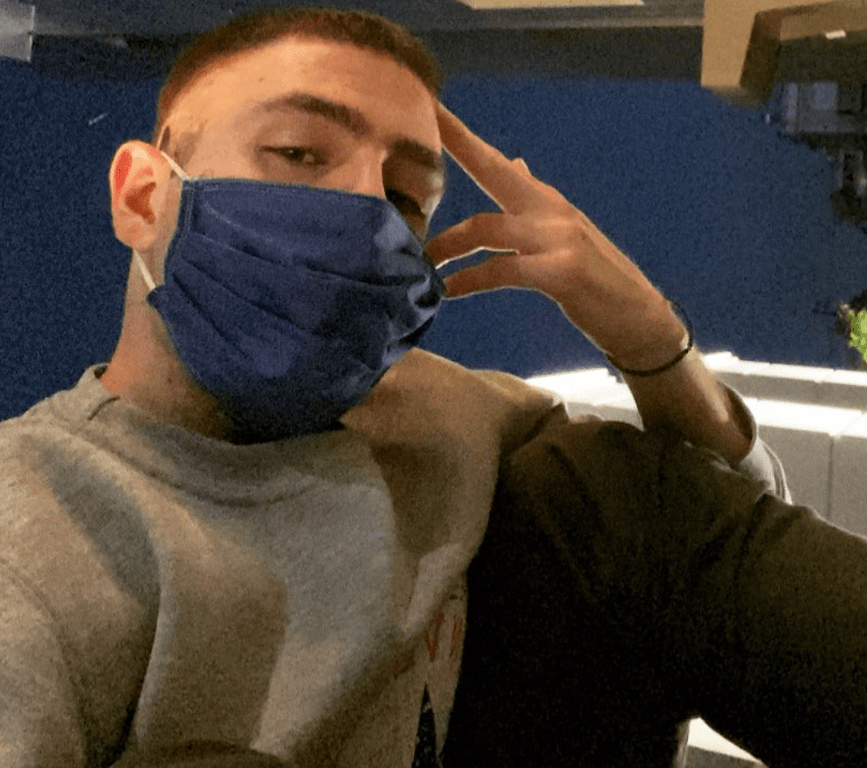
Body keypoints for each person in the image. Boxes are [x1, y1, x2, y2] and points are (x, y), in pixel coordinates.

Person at [0, 6, 847, 768]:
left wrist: (650, 340)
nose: (367, 208)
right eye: (299, 151)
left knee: (601, 484)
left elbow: (717, 520)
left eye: (406, 197)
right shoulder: (37, 536)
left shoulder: (449, 413)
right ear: (142, 196)